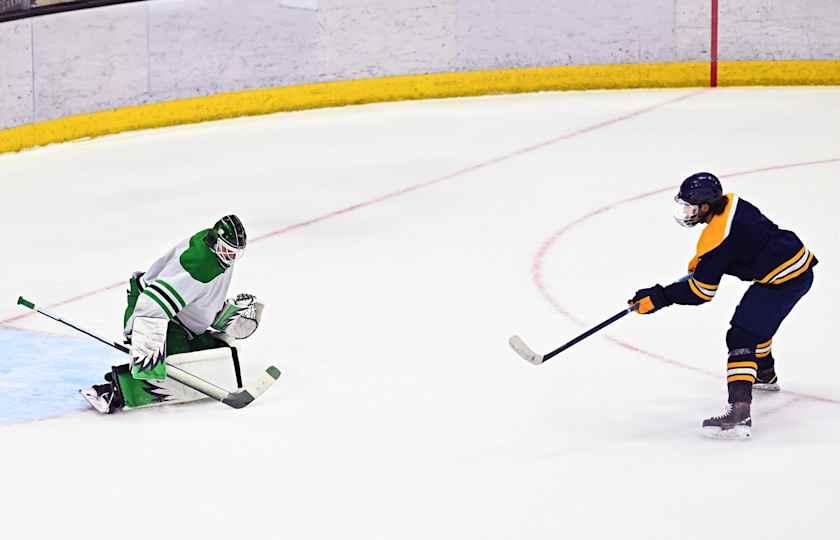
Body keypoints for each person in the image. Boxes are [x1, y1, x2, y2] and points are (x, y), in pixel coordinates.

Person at [629, 173, 817, 439]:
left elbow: (701, 291)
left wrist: (660, 297)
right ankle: (764, 375)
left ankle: (740, 413)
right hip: (795, 268)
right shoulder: (732, 204)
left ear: (706, 206)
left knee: (742, 335)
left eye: (691, 206)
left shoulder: (717, 240)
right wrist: (704, 263)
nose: (687, 211)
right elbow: (734, 246)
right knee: (756, 325)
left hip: (783, 280)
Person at [81, 215, 262, 413]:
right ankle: (113, 391)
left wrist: (225, 311)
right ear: (214, 240)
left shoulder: (218, 257)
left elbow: (200, 296)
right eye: (226, 250)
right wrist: (145, 340)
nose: (230, 257)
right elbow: (153, 302)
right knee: (174, 365)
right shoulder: (198, 264)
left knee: (216, 349)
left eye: (235, 253)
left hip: (181, 318)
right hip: (155, 314)